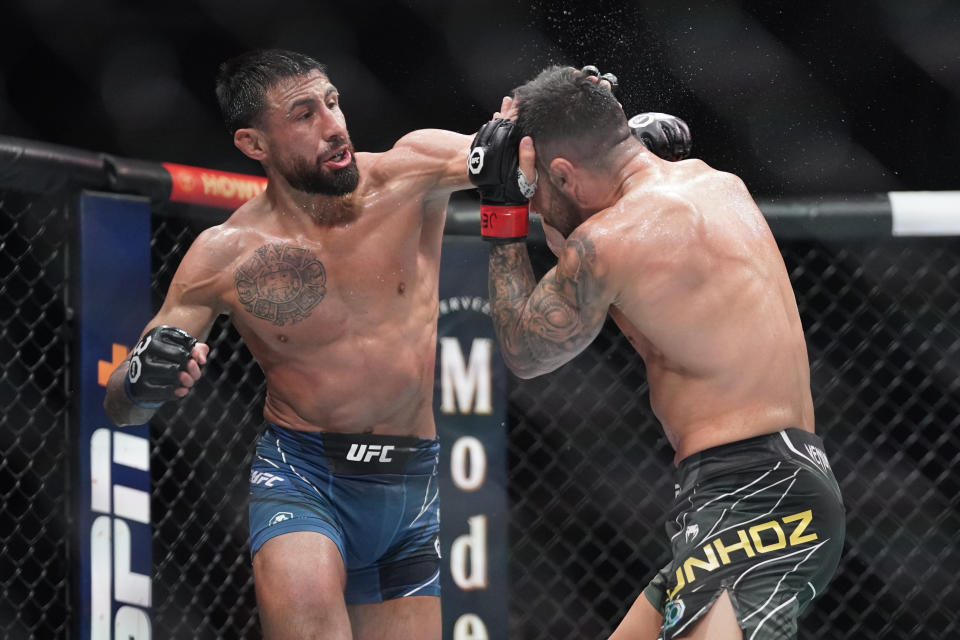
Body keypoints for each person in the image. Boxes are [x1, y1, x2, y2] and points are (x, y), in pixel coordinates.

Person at [102, 50, 690, 639]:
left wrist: (603, 132)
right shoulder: (224, 253)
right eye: (304, 114)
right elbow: (124, 404)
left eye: (333, 102)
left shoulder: (410, 172)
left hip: (411, 489)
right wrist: (145, 379)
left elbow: (512, 149)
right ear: (254, 144)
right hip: (304, 483)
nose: (333, 126)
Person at [472, 66, 845, 639]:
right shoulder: (716, 182)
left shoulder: (612, 242)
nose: (538, 206)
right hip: (763, 483)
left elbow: (526, 350)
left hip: (754, 494)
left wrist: (502, 207)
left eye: (538, 186)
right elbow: (586, 222)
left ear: (565, 174)